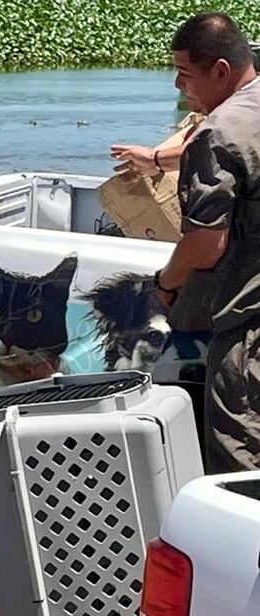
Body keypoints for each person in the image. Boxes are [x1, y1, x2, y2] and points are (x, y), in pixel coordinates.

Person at [152, 12, 260, 473]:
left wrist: (165, 285)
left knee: (238, 460)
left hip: (248, 326)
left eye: (183, 72)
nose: (179, 86)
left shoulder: (220, 131)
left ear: (220, 70)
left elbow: (204, 245)